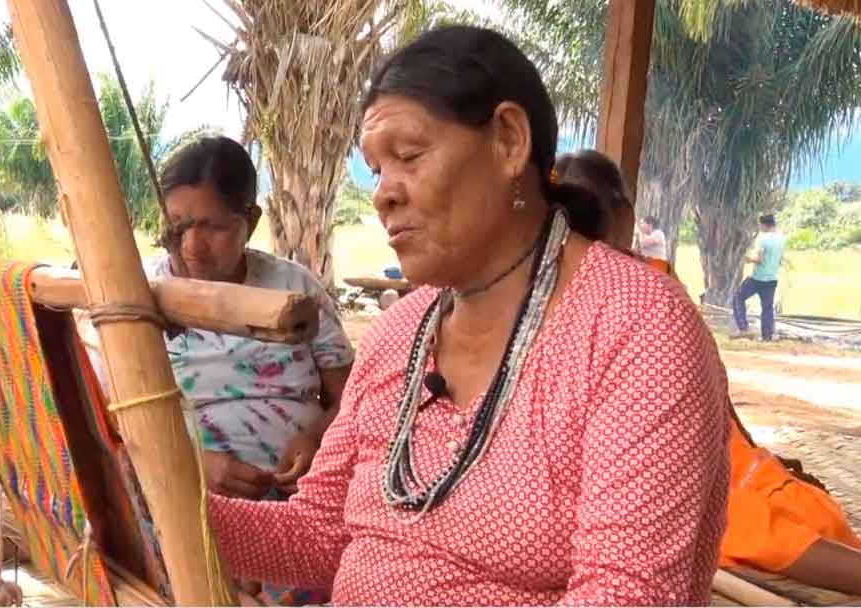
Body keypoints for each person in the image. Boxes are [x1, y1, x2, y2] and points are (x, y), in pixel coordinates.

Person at [207, 26, 730, 606]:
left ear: (508, 140)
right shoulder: (399, 333)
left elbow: (626, 594)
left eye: (408, 156)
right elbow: (320, 536)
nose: (383, 193)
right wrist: (165, 497)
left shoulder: (635, 326)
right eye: (377, 170)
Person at [560, 149, 861, 595]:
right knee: (750, 517)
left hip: (673, 459)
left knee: (767, 510)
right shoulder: (652, 285)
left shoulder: (610, 288)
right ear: (624, 214)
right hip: (657, 467)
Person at [89, 136, 354, 605]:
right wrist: (192, 467)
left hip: (298, 500)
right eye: (178, 226)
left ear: (249, 221)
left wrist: (317, 442)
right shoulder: (139, 297)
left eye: (213, 227)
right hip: (182, 501)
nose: (193, 246)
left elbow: (353, 401)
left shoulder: (293, 289)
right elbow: (110, 421)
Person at [733, 214, 786, 341]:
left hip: (757, 278)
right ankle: (767, 336)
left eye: (760, 225)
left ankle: (743, 328)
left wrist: (746, 258)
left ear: (763, 224)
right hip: (772, 279)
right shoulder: (781, 239)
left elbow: (759, 259)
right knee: (767, 308)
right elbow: (780, 259)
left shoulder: (763, 239)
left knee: (738, 297)